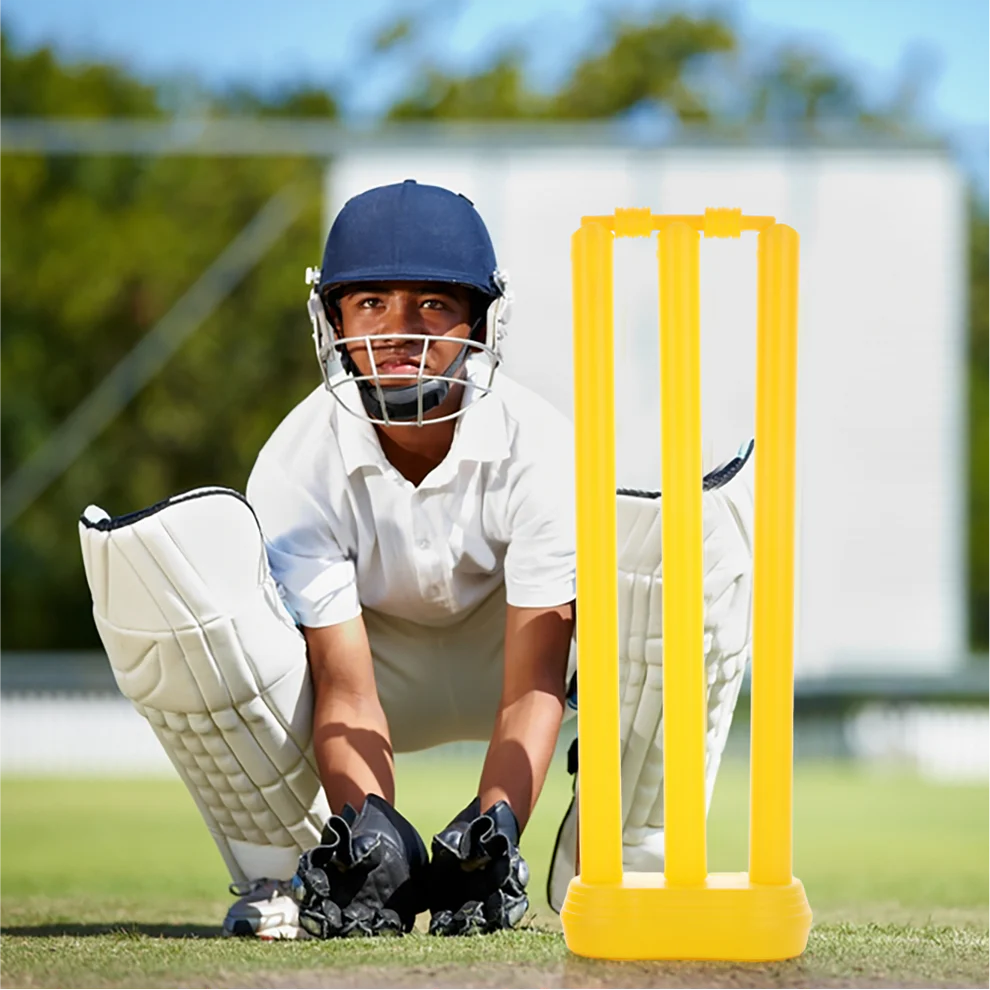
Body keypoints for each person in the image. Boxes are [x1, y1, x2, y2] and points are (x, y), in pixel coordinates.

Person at [78, 179, 755, 941]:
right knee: (178, 600)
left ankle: (624, 857)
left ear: (481, 321)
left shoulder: (541, 448)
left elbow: (533, 685)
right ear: (332, 319)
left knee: (677, 564)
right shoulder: (298, 461)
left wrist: (497, 825)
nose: (398, 331)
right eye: (371, 303)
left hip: (511, 662)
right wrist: (370, 831)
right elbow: (346, 692)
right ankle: (300, 868)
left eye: (432, 304)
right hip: (371, 671)